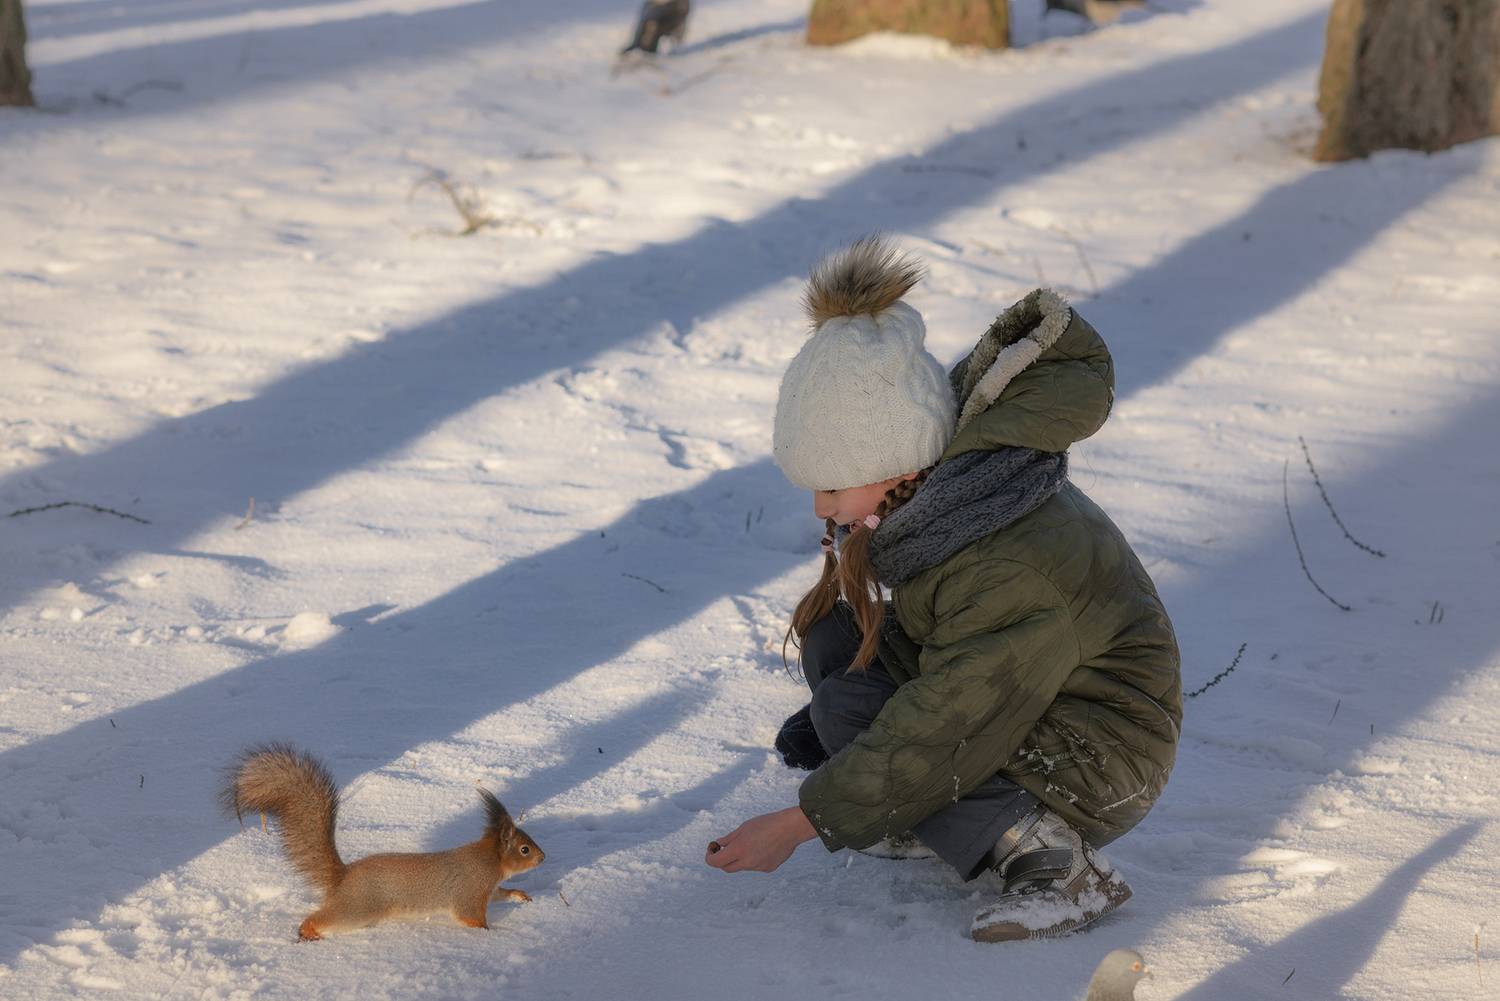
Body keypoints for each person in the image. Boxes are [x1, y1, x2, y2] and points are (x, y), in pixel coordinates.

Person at [704, 236, 1181, 942]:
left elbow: (947, 718)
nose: (820, 508)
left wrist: (804, 820)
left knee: (876, 717)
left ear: (896, 463)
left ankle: (1053, 859)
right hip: (1039, 709)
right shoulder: (955, 499)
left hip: (1098, 756)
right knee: (838, 641)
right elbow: (942, 655)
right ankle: (931, 811)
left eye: (833, 486)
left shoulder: (1005, 561)